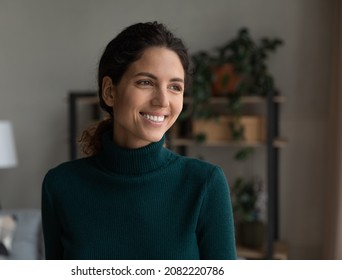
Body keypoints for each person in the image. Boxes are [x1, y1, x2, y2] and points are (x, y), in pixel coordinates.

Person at [42, 21, 237, 260]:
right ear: (109, 91)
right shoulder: (61, 185)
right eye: (146, 82)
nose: (163, 100)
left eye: (175, 87)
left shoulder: (204, 184)